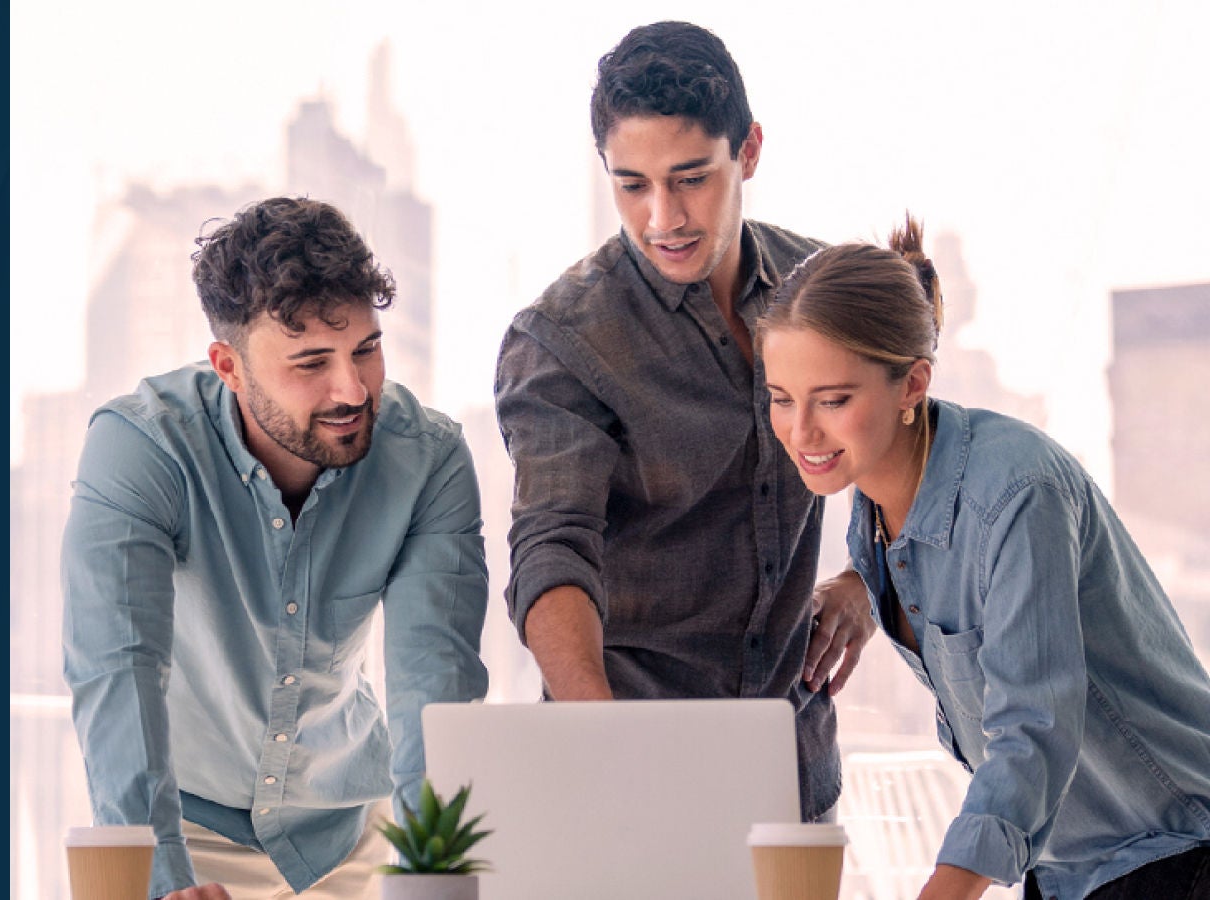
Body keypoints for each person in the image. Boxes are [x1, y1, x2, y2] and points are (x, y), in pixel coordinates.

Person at [757, 214, 1210, 899]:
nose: (801, 432)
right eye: (782, 399)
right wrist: (860, 583)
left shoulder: (1018, 490)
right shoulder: (874, 498)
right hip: (1064, 870)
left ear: (912, 385)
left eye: (833, 400)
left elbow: (1033, 729)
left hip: (1170, 852)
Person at [493, 20, 874, 822]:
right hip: (625, 766)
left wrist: (865, 578)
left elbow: (912, 447)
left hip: (793, 769)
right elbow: (552, 547)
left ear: (751, 151)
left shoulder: (827, 292)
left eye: (691, 177)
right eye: (631, 184)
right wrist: (609, 745)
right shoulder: (564, 340)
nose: (662, 216)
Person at [63, 197, 490, 900]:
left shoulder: (429, 460)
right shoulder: (141, 448)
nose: (352, 389)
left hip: (349, 830)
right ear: (229, 366)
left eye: (366, 350)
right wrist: (163, 883)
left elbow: (432, 687)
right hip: (185, 831)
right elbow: (118, 673)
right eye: (311, 363)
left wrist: (431, 873)